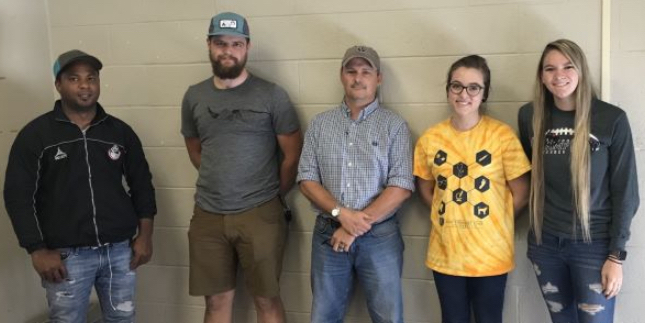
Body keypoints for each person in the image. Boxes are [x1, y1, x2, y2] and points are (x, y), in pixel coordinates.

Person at [3, 49, 156, 323]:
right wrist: (37, 250)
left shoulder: (119, 132)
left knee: (123, 319)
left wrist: (145, 236)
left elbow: (142, 185)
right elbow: (17, 195)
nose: (85, 86)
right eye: (74, 78)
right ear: (59, 84)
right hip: (65, 256)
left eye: (91, 78)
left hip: (120, 251)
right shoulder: (37, 135)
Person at [181, 12, 302, 323]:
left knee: (267, 299)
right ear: (209, 45)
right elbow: (195, 150)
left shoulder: (272, 94)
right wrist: (220, 179)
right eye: (220, 43)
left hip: (260, 212)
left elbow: (292, 154)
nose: (228, 51)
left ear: (247, 47)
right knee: (216, 303)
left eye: (236, 44)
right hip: (208, 213)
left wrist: (273, 194)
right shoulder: (194, 95)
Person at [518, 39, 640, 323]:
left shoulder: (611, 119)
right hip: (545, 244)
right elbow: (525, 173)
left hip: (594, 245)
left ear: (581, 70)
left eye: (567, 66)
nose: (558, 75)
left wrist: (616, 256)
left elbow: (626, 192)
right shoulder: (529, 116)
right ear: (541, 76)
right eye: (549, 68)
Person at [297, 45, 414, 323]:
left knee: (388, 317)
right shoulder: (320, 125)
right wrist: (341, 215)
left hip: (380, 237)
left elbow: (401, 186)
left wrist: (353, 227)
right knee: (323, 317)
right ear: (342, 76)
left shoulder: (394, 125)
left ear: (378, 78)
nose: (358, 78)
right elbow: (306, 179)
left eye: (366, 71)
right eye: (351, 71)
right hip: (328, 234)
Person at [413, 55, 531, 323]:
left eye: (473, 87)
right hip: (446, 253)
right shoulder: (430, 139)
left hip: (491, 253)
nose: (464, 94)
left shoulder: (502, 136)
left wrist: (493, 222)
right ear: (447, 89)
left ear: (484, 93)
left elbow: (521, 193)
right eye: (457, 85)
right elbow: (425, 188)